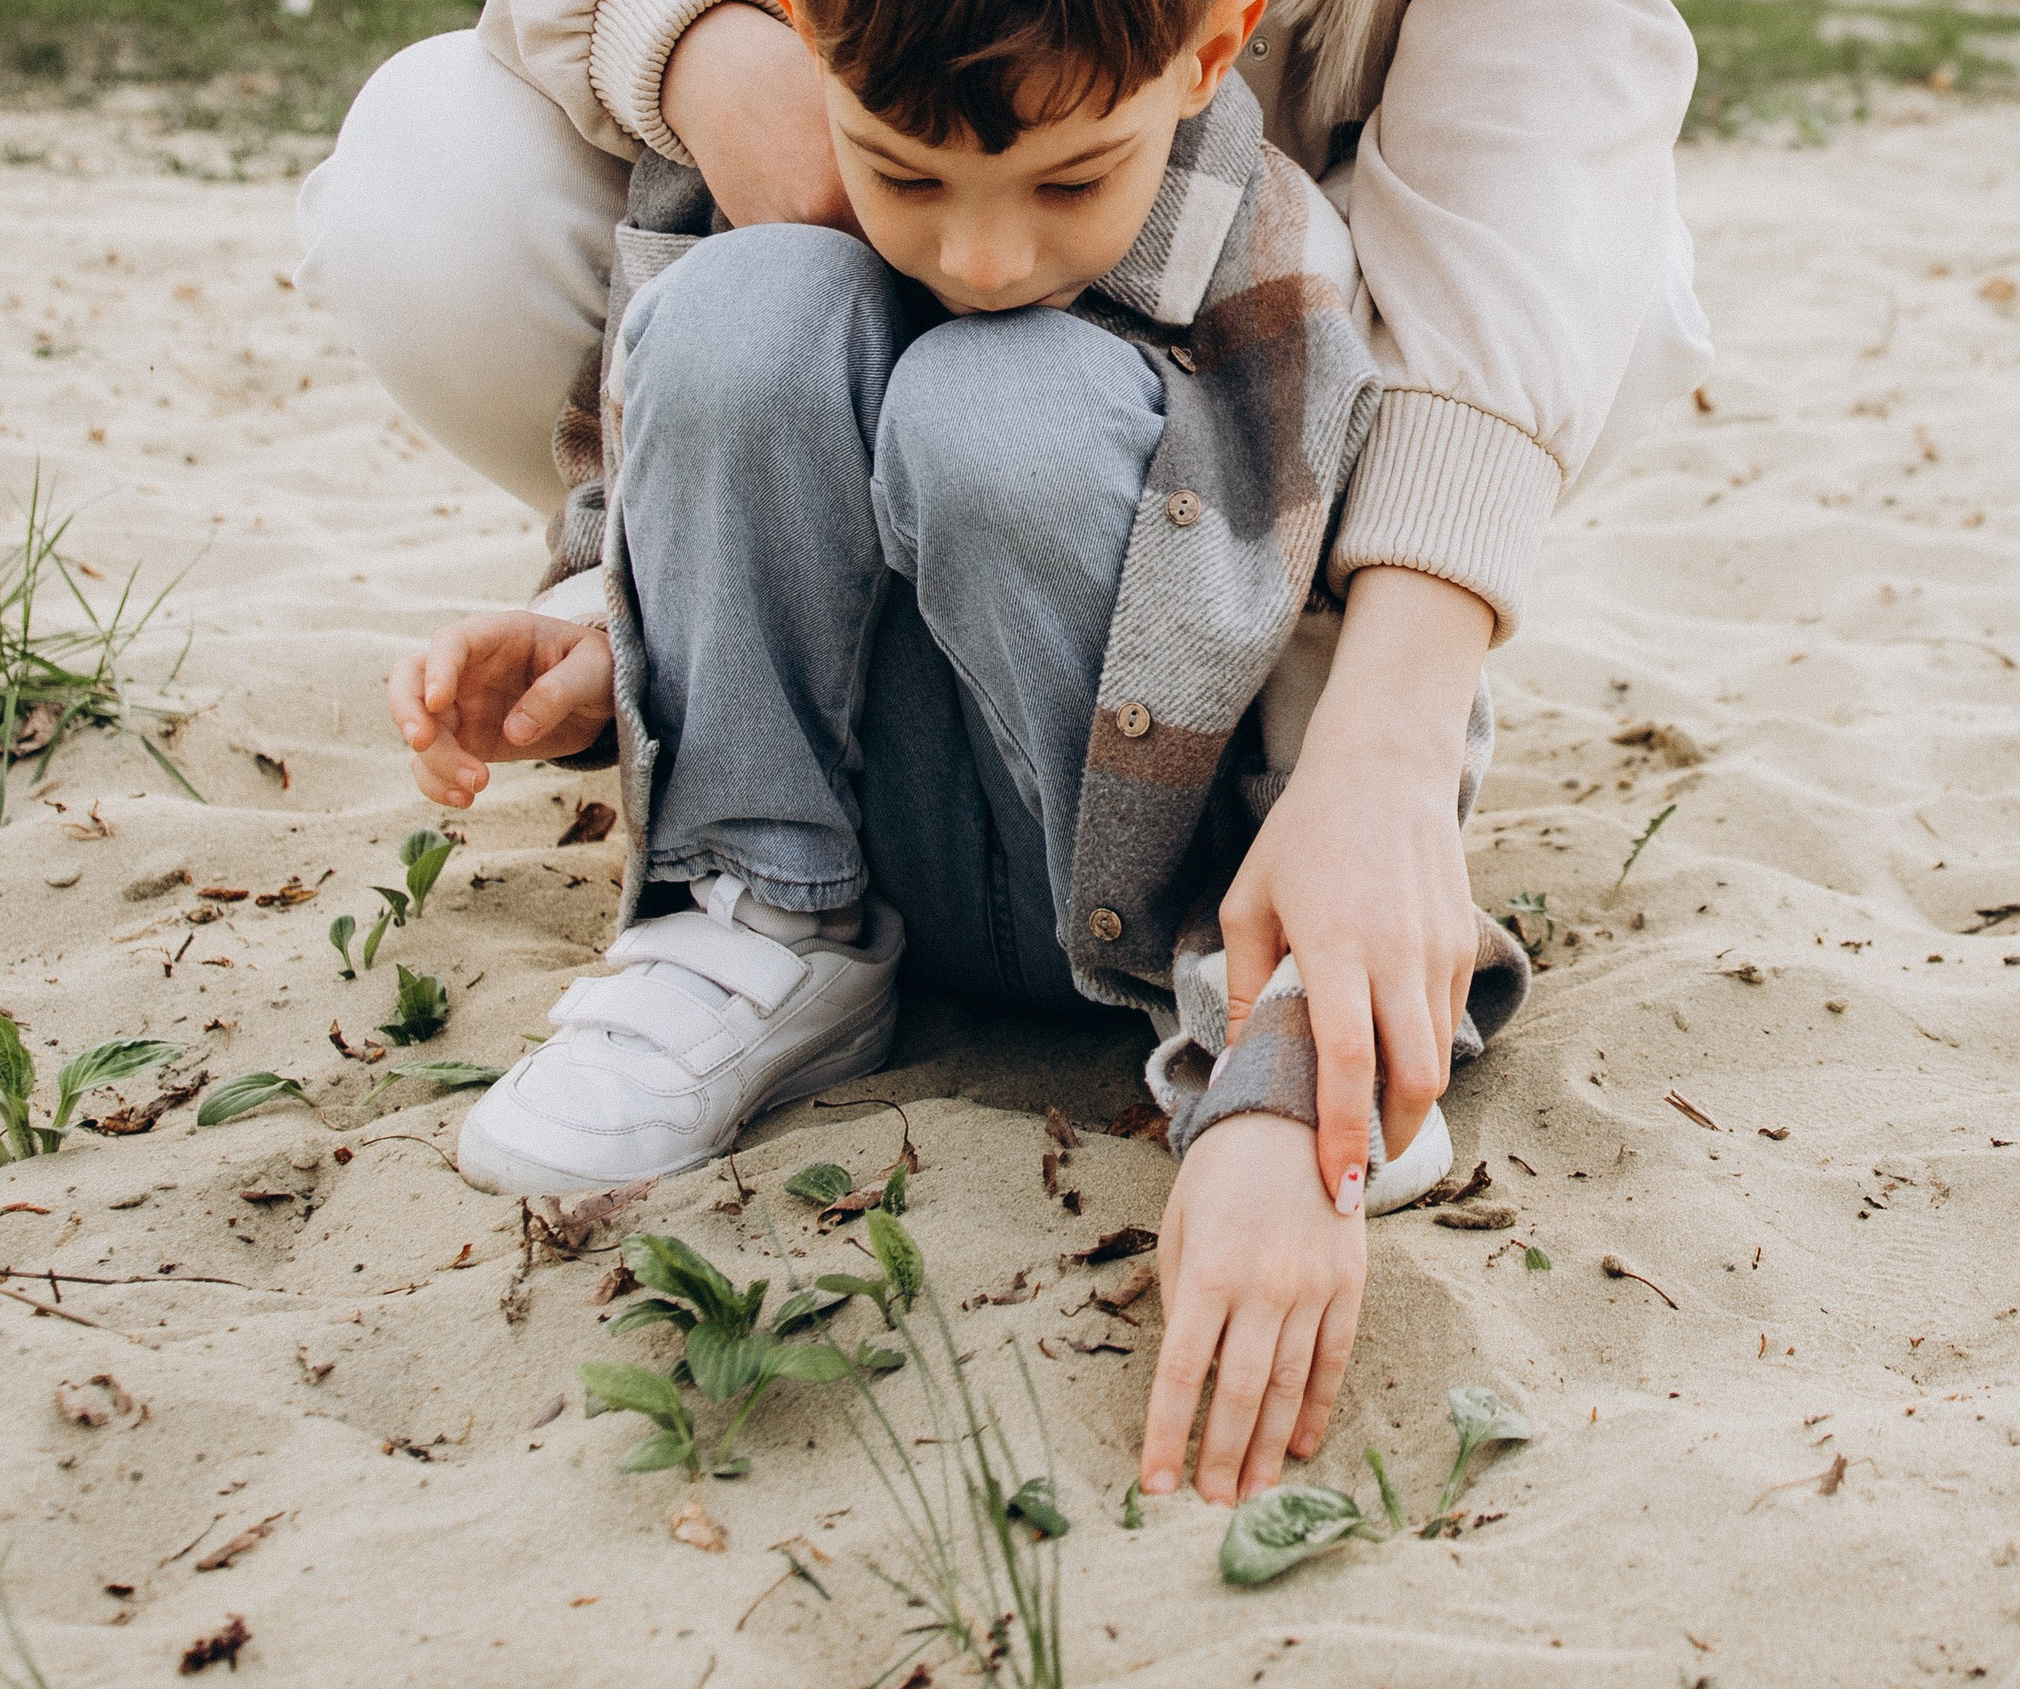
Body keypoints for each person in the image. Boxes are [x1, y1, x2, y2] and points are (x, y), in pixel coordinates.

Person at [297, 0, 1710, 1506]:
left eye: (1062, 186)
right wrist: (608, 610)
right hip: (900, 806)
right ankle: (755, 911)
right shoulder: (848, 73)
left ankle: (1206, 982)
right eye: (906, 183)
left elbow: (1278, 568)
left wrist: (1301, 1019)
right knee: (744, 302)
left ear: (1212, 54)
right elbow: (659, 402)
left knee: (1003, 409)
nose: (979, 259)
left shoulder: (1273, 241)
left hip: (1144, 839)